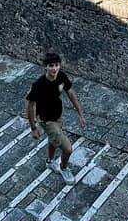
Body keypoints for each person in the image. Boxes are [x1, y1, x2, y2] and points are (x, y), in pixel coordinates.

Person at [26, 53, 87, 183]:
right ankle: (64, 168)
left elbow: (71, 93)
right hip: (46, 121)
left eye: (57, 65)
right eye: (51, 66)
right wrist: (33, 128)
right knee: (67, 149)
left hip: (58, 117)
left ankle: (49, 161)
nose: (54, 69)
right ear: (45, 67)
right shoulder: (38, 85)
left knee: (53, 139)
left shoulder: (61, 76)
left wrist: (80, 114)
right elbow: (30, 106)